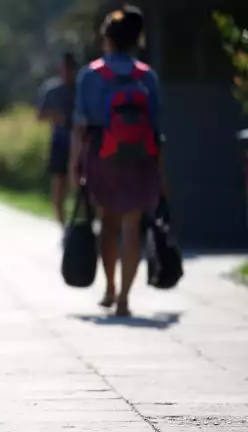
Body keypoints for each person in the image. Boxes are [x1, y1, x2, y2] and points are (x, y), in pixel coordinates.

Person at [69, 5, 167, 317]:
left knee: (108, 223)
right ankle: (125, 297)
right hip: (141, 158)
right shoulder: (147, 76)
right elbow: (156, 127)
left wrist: (75, 164)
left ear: (107, 38)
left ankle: (110, 287)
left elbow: (80, 126)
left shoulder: (91, 75)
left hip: (102, 153)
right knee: (132, 224)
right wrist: (161, 172)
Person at [36, 52, 77, 230]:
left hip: (81, 143)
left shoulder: (82, 88)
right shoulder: (51, 90)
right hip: (60, 143)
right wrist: (57, 116)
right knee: (59, 189)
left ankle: (82, 226)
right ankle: (64, 228)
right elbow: (40, 115)